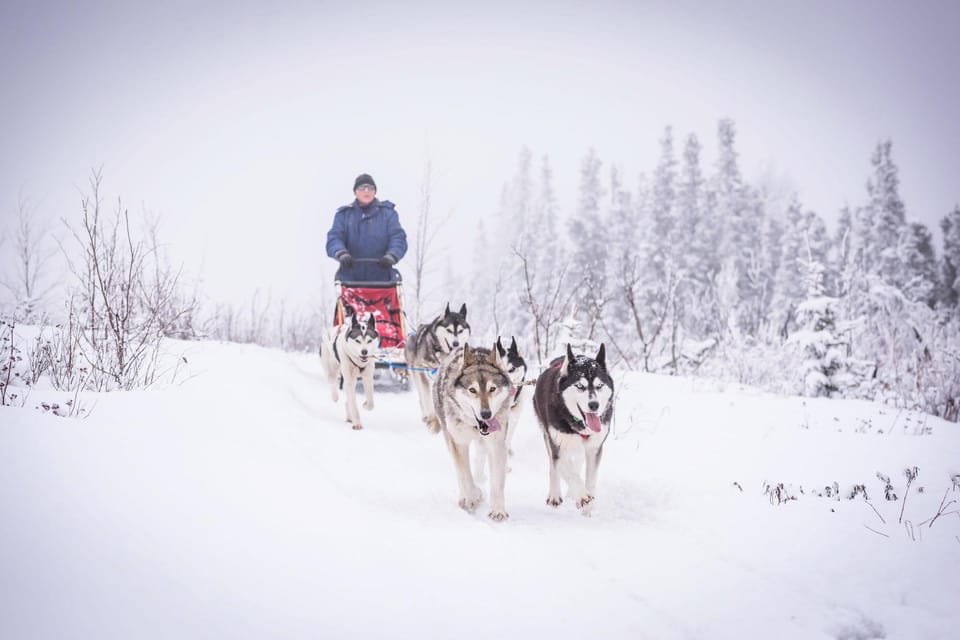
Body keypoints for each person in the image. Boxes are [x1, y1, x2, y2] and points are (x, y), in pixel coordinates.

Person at [325, 173, 408, 283]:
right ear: (355, 192)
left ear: (375, 191)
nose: (366, 191)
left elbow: (398, 237)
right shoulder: (344, 215)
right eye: (362, 188)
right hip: (350, 280)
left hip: (382, 279)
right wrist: (341, 253)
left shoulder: (388, 214)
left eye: (370, 188)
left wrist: (392, 255)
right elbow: (334, 237)